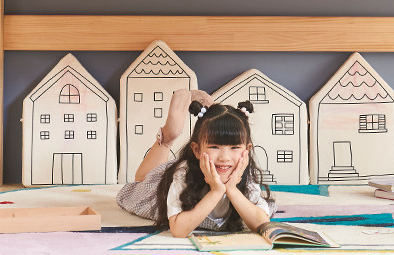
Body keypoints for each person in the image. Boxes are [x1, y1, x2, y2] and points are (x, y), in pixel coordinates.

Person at [116, 89, 275, 237]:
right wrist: (215, 192)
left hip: (203, 170)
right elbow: (178, 230)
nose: (224, 158)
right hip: (164, 186)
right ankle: (167, 139)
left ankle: (209, 118)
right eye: (214, 147)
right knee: (142, 181)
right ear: (197, 150)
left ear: (247, 150)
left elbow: (262, 224)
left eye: (234, 147)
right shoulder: (183, 174)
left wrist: (232, 189)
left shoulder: (244, 175)